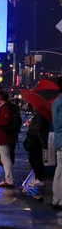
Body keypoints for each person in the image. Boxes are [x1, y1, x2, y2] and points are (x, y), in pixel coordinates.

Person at [0, 90, 19, 188]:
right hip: (6, 137)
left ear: (0, 98)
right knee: (6, 158)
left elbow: (4, 121)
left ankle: (9, 180)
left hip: (4, 137)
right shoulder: (7, 107)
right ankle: (8, 179)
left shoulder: (5, 108)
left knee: (5, 159)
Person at [24, 111, 49, 187]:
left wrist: (30, 124)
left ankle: (40, 179)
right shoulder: (40, 114)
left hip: (37, 140)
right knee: (36, 159)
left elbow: (39, 127)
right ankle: (38, 178)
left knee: (35, 159)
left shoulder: (40, 114)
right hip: (38, 139)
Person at [52, 78, 62, 209]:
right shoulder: (60, 102)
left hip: (59, 139)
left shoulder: (56, 101)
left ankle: (57, 198)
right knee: (60, 170)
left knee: (59, 170)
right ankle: (58, 199)